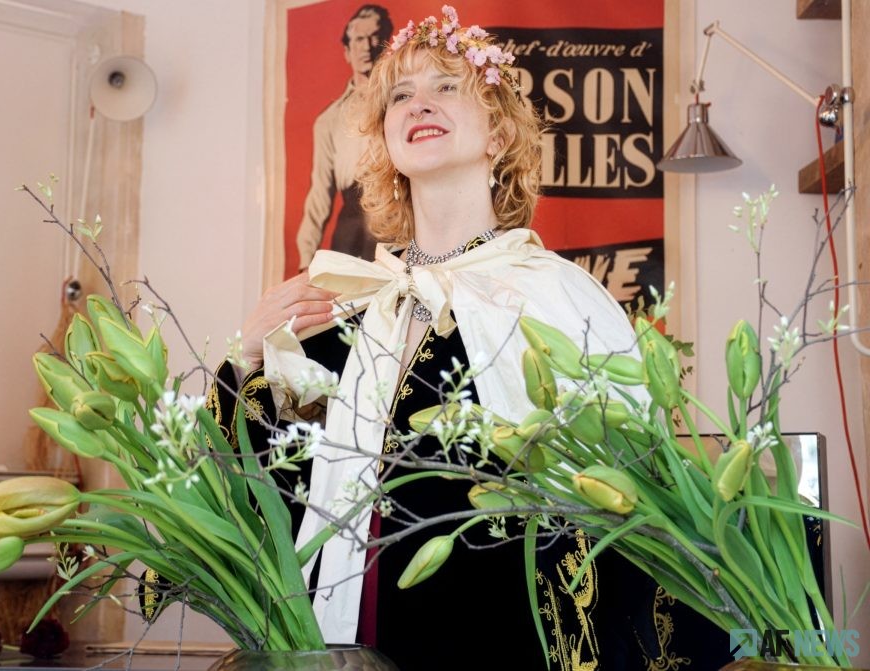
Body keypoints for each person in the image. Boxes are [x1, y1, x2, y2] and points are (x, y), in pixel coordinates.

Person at [213, 6, 731, 669]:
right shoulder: (354, 303)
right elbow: (277, 489)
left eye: (446, 86)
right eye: (400, 95)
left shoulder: (557, 296)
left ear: (498, 135)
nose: (418, 104)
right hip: (360, 640)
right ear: (386, 140)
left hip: (501, 641)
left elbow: (628, 495)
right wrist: (247, 356)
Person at [294, 4, 392, 270]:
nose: (367, 47)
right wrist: (305, 260)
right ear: (347, 51)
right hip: (351, 228)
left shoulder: (404, 105)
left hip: (394, 218)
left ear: (386, 44)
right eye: (359, 39)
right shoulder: (329, 120)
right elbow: (319, 195)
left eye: (374, 37)